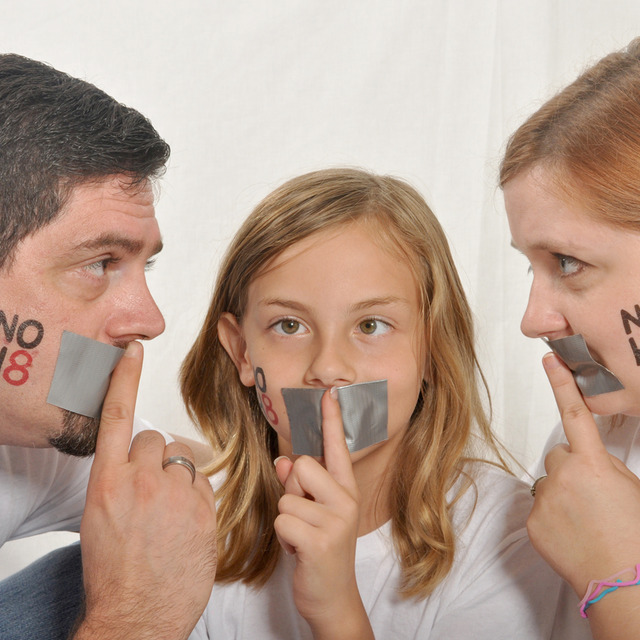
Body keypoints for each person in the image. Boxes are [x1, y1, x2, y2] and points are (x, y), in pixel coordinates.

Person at [180, 167, 574, 639]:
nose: (328, 367)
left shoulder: (506, 535)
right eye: (289, 325)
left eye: (370, 325)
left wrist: (336, 609)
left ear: (432, 349)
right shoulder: (191, 524)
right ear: (242, 351)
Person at [0, 54, 217, 640]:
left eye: (142, 266)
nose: (149, 320)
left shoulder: (34, 424)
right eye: (100, 263)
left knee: (164, 537)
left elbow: (205, 478)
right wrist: (134, 620)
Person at [500, 37, 640, 640]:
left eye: (567, 263)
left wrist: (615, 578)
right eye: (530, 267)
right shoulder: (600, 434)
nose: (534, 319)